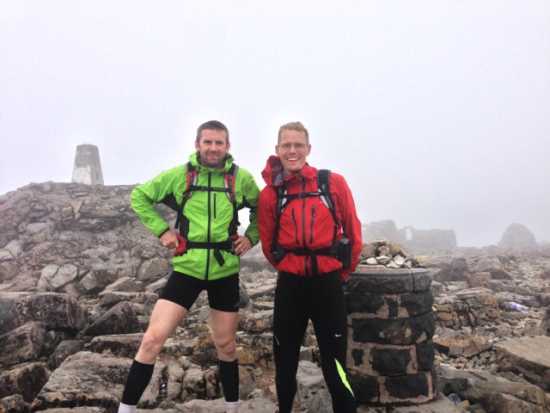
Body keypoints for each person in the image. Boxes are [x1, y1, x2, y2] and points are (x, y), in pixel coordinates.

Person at [118, 120, 259, 413]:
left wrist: (251, 238)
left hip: (224, 271)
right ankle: (125, 409)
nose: (213, 148)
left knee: (227, 346)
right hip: (187, 269)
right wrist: (163, 232)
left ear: (227, 146)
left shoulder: (240, 179)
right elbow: (140, 196)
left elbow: (263, 210)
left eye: (218, 143)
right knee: (152, 340)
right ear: (197, 144)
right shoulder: (181, 176)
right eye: (207, 142)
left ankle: (232, 408)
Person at [258, 121, 362, 413]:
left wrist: (340, 273)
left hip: (328, 284)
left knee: (335, 362)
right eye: (286, 146)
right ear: (277, 150)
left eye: (298, 145)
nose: (292, 151)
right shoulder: (270, 195)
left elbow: (353, 233)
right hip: (290, 286)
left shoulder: (333, 183)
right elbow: (269, 245)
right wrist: (291, 265)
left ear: (308, 148)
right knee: (285, 360)